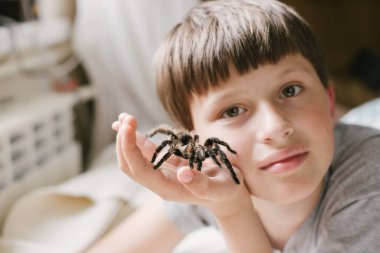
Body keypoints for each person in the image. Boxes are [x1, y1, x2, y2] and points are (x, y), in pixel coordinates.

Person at [87, 0, 380, 252]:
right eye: (232, 110)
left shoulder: (368, 183)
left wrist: (232, 212)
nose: (276, 127)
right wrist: (225, 201)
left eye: (290, 90)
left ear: (329, 101)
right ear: (195, 139)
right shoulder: (211, 171)